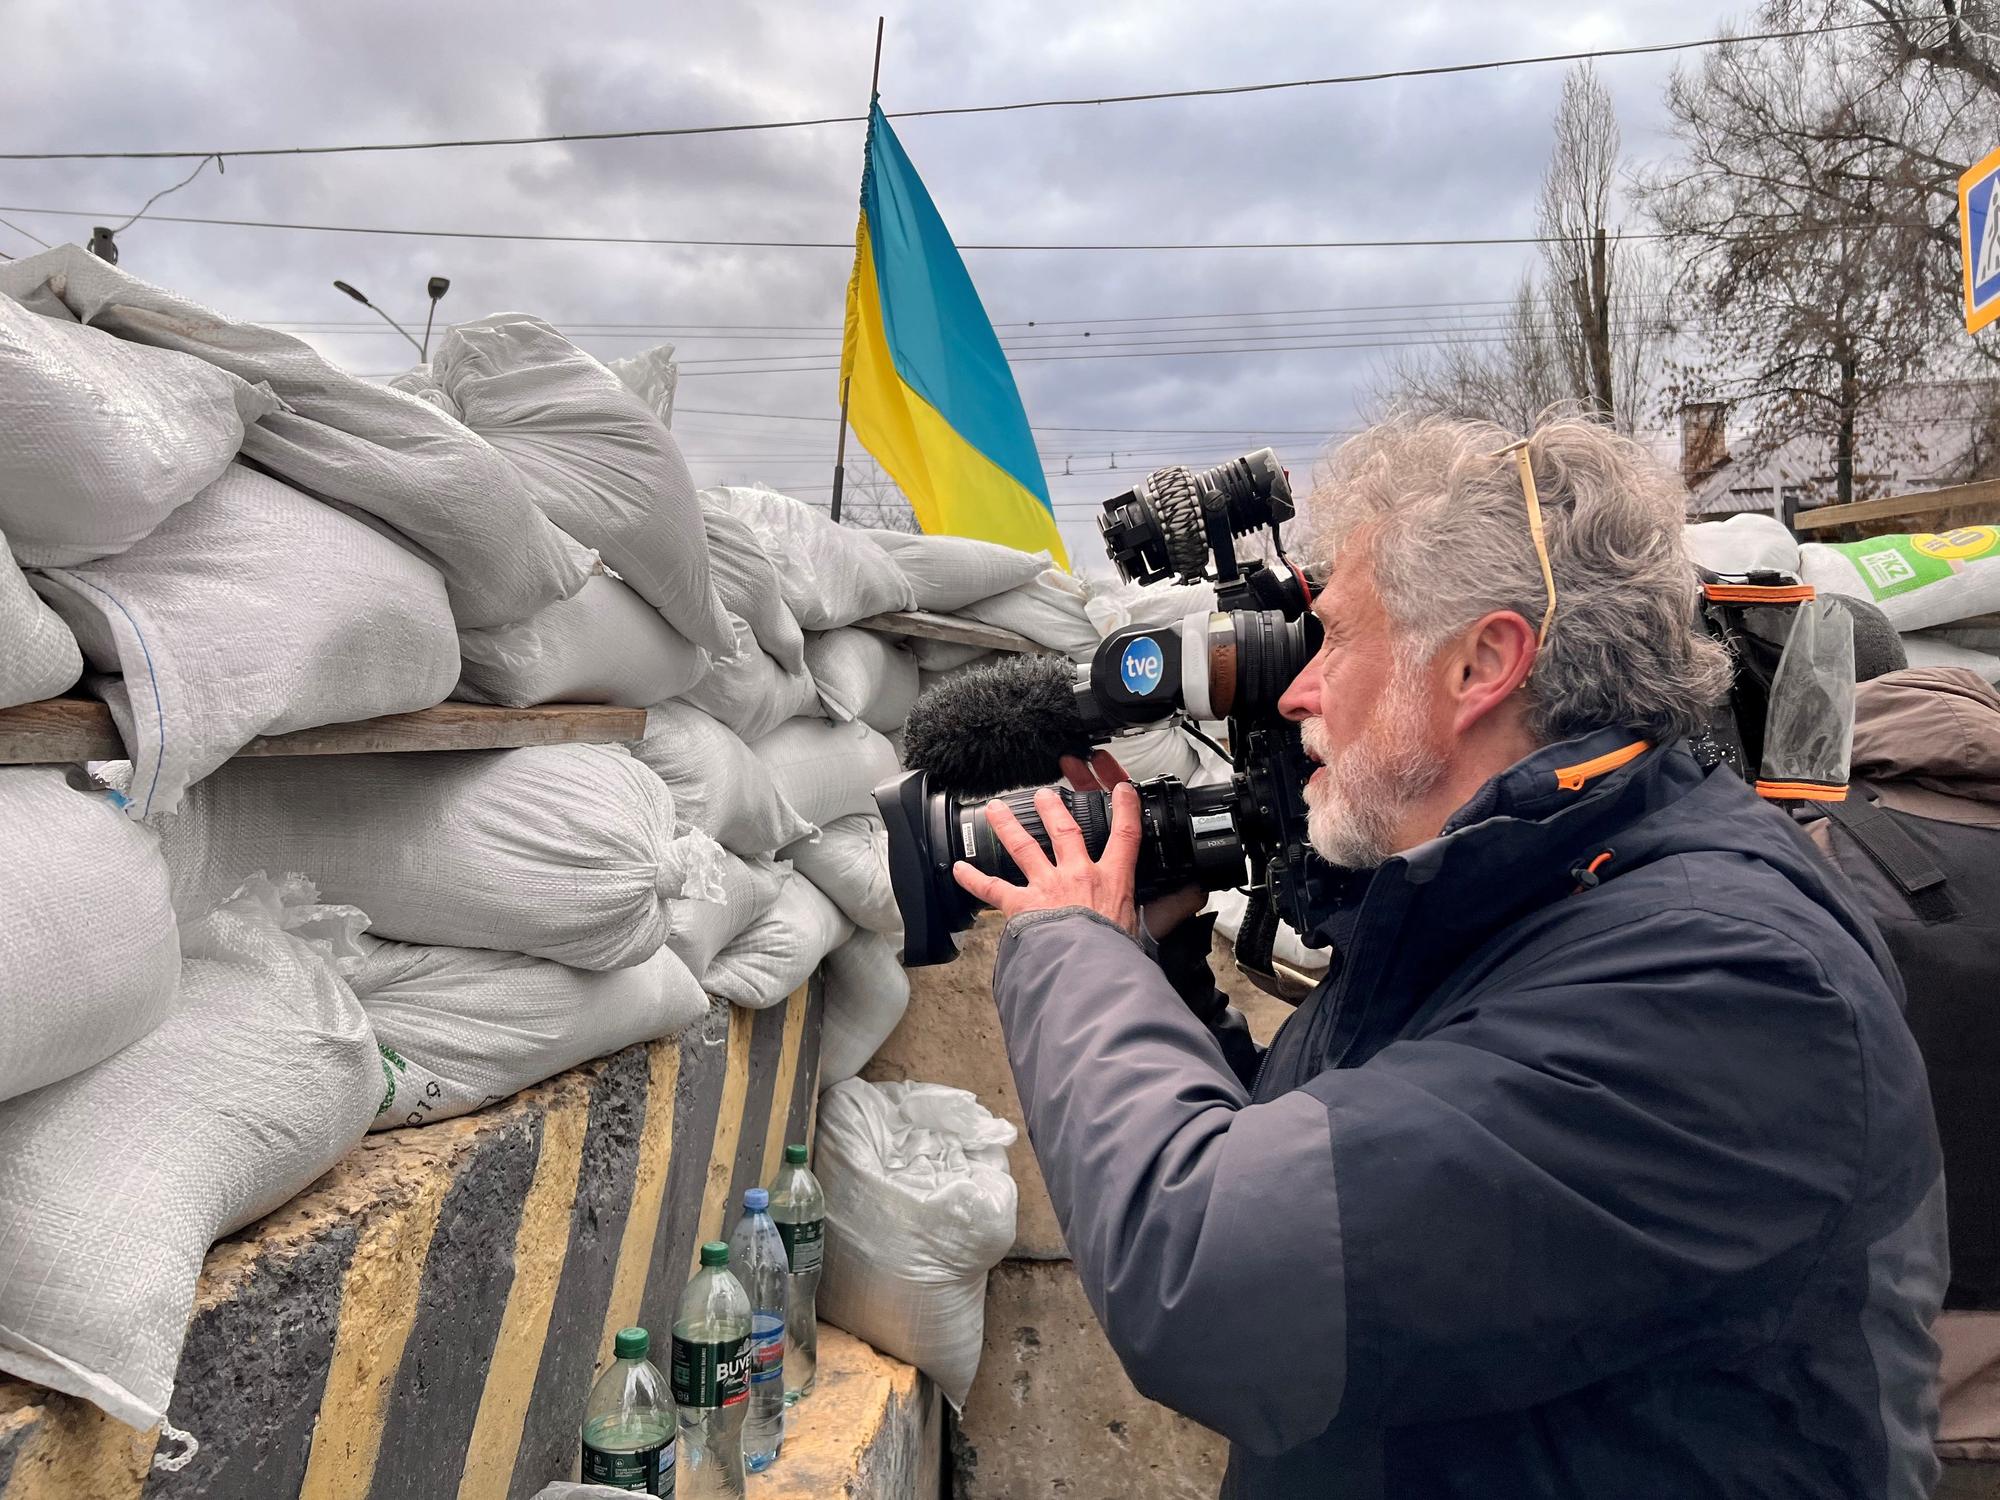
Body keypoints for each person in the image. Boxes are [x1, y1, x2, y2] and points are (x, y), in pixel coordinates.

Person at [953, 414, 1946, 1499]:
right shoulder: (1504, 900)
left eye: (1332, 638)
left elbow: (1211, 1271)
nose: (1294, 693)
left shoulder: (1729, 987)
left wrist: (1069, 949)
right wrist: (1158, 962)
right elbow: (1303, 1156)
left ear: (1480, 661)